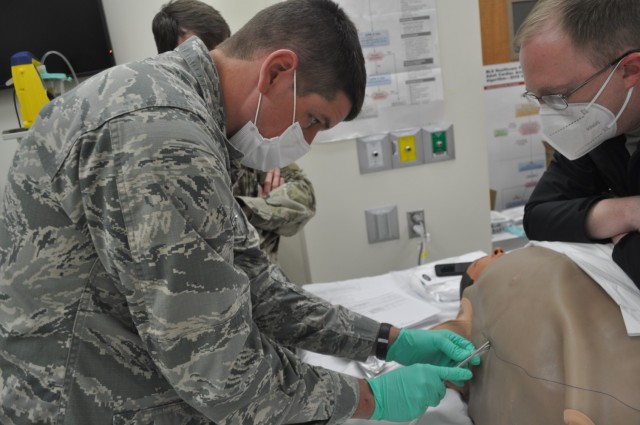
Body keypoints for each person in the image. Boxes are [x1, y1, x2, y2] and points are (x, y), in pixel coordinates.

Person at [0, 1, 479, 423]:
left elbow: (262, 290)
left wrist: (388, 339)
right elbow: (217, 370)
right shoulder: (163, 136)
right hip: (73, 401)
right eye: (312, 120)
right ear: (276, 72)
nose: (306, 143)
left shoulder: (177, 113)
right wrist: (369, 397)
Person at [152, 0, 316, 262]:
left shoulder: (248, 131)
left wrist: (248, 209)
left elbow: (304, 198)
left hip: (262, 289)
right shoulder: (169, 137)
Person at [435, 245, 640, 424]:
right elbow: (442, 348)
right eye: (480, 262)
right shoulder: (483, 291)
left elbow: (441, 352)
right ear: (471, 285)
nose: (497, 251)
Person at [515, 0, 640, 288]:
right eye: (537, 98)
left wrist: (617, 234)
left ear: (630, 70)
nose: (549, 112)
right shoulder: (602, 126)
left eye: (558, 95)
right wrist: (628, 213)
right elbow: (538, 216)